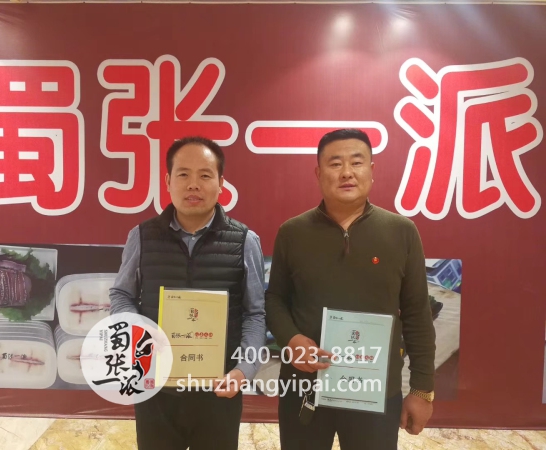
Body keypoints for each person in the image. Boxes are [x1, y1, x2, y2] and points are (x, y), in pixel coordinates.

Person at [265, 129, 436, 450]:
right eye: (335, 164)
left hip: (375, 392)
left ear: (372, 169)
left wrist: (422, 390)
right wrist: (290, 339)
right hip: (304, 387)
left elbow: (417, 314)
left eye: (356, 162)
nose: (346, 172)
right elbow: (275, 299)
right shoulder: (293, 232)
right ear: (318, 173)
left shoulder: (402, 232)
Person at [109, 136, 267, 450]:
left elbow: (255, 313)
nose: (193, 184)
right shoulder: (142, 236)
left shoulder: (245, 241)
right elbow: (121, 295)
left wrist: (244, 369)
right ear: (168, 181)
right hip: (155, 389)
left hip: (219, 392)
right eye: (183, 174)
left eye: (205, 175)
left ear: (221, 183)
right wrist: (139, 338)